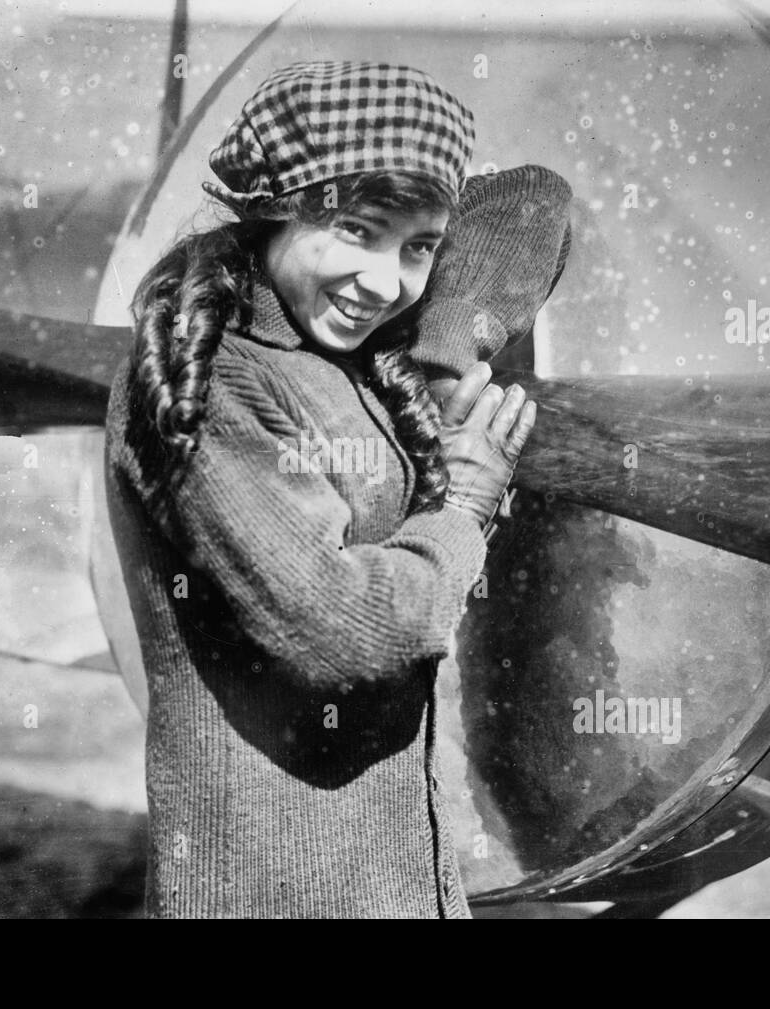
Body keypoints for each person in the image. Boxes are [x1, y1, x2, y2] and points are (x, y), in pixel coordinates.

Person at [104, 60, 571, 918]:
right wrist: (460, 507)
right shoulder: (210, 377)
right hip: (270, 890)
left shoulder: (345, 357)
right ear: (275, 207)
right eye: (357, 230)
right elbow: (342, 633)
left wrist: (441, 365)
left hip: (391, 878)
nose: (386, 283)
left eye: (420, 247)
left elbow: (532, 201)